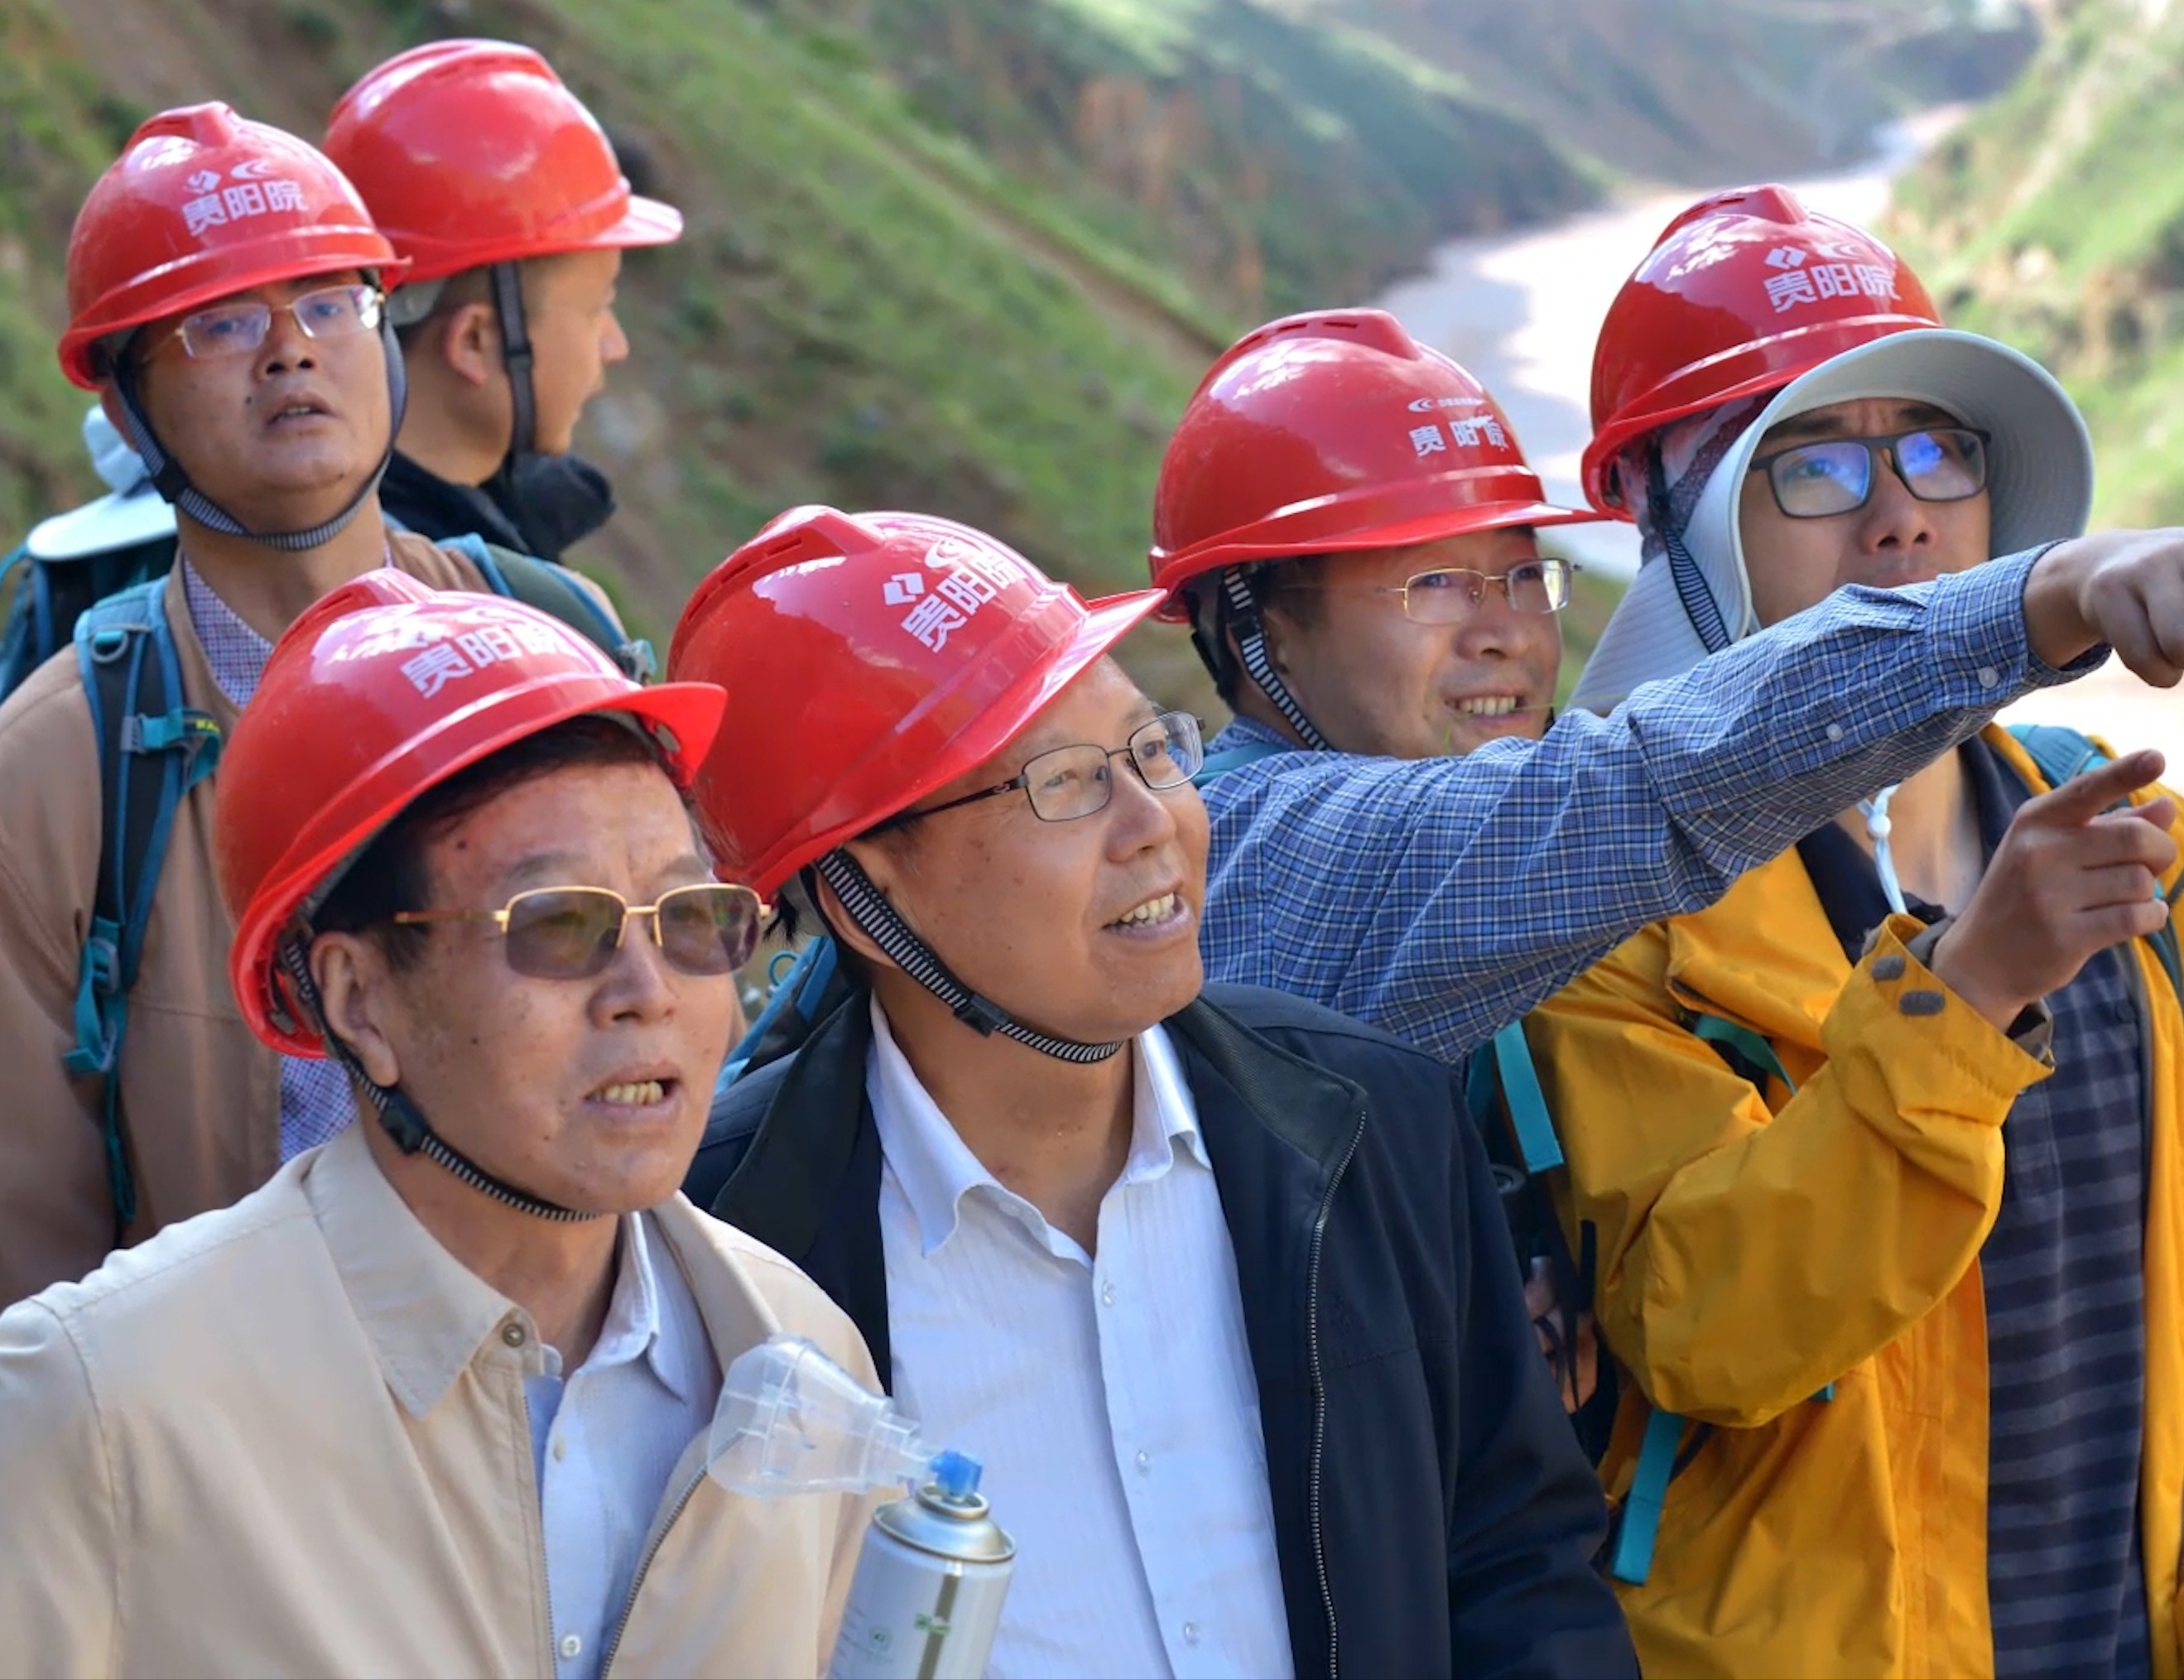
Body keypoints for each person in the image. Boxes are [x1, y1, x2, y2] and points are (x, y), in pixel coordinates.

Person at [0, 574, 874, 1678]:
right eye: (560, 924)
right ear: (359, 1000)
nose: (648, 990)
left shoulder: (799, 1366)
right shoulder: (102, 1405)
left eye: (691, 915)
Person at [1519, 262, 2184, 1680]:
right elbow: (1705, 1328)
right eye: (1811, 465)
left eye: (1936, 452)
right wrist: (1968, 997)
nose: (1902, 514)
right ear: (1680, 528)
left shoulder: (2140, 859)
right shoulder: (1610, 921)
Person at [672, 507, 1639, 1679]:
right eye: (1065, 785)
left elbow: (1516, 1559)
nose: (1157, 826)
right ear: (865, 896)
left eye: (1153, 752)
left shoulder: (1364, 1124)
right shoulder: (720, 1251)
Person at [1156, 200, 2184, 1071]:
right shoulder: (1247, 864)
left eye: (1523, 578)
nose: (1503, 636)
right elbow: (1633, 792)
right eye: (1432, 586)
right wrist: (2038, 598)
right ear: (1256, 631)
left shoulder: (2118, 828)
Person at [0, 102, 625, 1352]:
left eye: (331, 304)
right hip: (241, 1433)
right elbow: (22, 1310)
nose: (291, 352)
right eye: (222, 323)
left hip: (571, 1393)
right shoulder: (37, 796)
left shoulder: (559, 649)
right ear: (128, 410)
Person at [325, 38, 681, 563]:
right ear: (475, 340)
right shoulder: (427, 594)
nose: (615, 345)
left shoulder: (316, 535)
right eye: (595, 309)